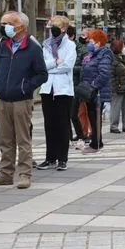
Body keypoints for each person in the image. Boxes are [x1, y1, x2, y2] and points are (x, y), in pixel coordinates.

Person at [0, 11, 48, 189]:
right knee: (5, 139)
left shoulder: (33, 48)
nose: (5, 27)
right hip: (3, 98)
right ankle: (5, 174)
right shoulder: (4, 45)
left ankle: (25, 175)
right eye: (3, 23)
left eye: (9, 23)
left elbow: (42, 74)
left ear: (21, 26)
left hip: (21, 100)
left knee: (23, 139)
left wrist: (25, 87)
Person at [36, 15, 76, 171]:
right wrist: (54, 63)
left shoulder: (70, 45)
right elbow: (42, 66)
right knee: (49, 125)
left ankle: (62, 159)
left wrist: (52, 69)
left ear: (64, 29)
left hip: (63, 91)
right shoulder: (46, 45)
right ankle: (50, 158)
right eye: (51, 25)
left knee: (62, 124)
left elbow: (67, 65)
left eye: (56, 26)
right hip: (47, 89)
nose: (52, 28)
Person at [81, 29, 113, 152]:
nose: (89, 43)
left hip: (97, 92)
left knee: (95, 118)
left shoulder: (104, 55)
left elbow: (104, 73)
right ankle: (96, 141)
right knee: (92, 117)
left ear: (98, 43)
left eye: (92, 41)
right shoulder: (92, 55)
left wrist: (93, 86)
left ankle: (96, 143)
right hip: (90, 91)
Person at [109, 39, 125, 134]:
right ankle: (114, 126)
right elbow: (111, 75)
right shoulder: (113, 59)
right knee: (116, 107)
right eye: (123, 46)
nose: (124, 48)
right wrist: (114, 87)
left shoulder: (122, 58)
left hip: (124, 86)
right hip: (118, 87)